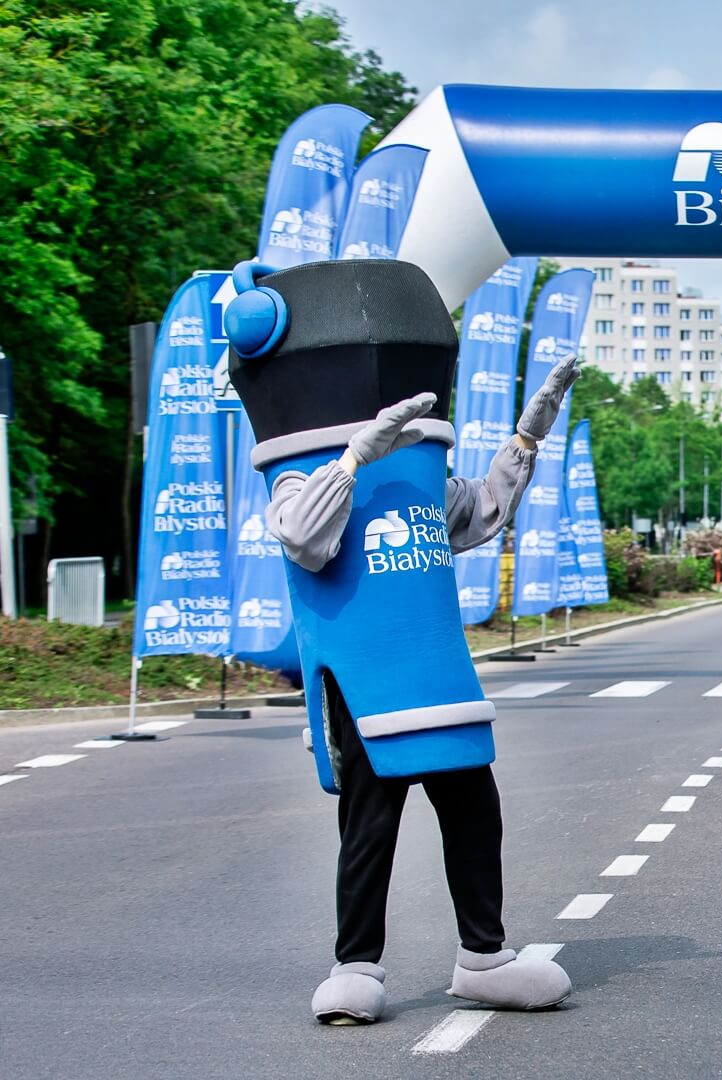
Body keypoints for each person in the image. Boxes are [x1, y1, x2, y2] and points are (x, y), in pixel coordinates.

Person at [227, 258, 573, 1025]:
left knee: (476, 814)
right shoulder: (298, 477)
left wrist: (526, 438)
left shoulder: (422, 482)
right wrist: (354, 456)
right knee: (370, 827)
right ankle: (355, 966)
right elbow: (303, 538)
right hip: (367, 687)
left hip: (439, 682)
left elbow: (481, 513)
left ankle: (484, 959)